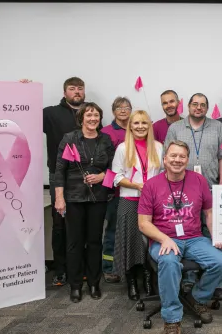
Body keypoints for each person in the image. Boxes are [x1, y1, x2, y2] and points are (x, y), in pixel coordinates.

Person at [138, 141, 222, 334]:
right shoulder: (152, 185)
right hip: (164, 239)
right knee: (169, 263)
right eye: (173, 156)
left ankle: (197, 298)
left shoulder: (198, 180)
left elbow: (209, 212)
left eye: (182, 156)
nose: (177, 160)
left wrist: (216, 235)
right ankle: (172, 320)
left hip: (194, 238)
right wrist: (164, 238)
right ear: (165, 159)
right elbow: (143, 224)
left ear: (187, 160)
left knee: (221, 262)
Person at [163, 93, 222, 299]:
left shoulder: (217, 127)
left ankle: (219, 282)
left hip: (210, 189)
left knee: (214, 235)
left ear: (207, 108)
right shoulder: (175, 128)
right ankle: (189, 279)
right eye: (195, 104)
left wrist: (221, 187)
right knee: (188, 234)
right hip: (182, 193)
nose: (198, 107)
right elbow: (167, 157)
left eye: (202, 105)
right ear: (189, 106)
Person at [53, 102, 115, 303]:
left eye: (96, 115)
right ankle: (76, 285)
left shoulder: (105, 140)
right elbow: (59, 171)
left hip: (98, 198)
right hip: (73, 199)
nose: (92, 118)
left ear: (100, 118)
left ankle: (94, 283)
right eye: (88, 115)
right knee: (74, 243)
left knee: (95, 242)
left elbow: (114, 170)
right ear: (81, 118)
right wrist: (60, 198)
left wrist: (101, 177)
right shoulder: (69, 139)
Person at [111, 110, 163, 301]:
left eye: (144, 123)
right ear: (130, 126)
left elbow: (164, 173)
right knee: (131, 242)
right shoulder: (123, 148)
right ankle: (132, 282)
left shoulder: (158, 147)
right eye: (136, 123)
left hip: (153, 203)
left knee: (150, 242)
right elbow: (115, 177)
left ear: (150, 126)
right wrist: (136, 185)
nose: (140, 127)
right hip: (129, 202)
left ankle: (149, 280)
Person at [43, 76, 85, 287]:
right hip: (58, 175)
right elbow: (23, 115)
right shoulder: (50, 113)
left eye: (80, 88)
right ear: (64, 92)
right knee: (59, 224)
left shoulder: (90, 113)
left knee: (80, 225)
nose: (77, 92)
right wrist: (21, 90)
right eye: (72, 88)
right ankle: (60, 269)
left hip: (82, 177)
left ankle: (79, 268)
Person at [99, 96, 132, 284]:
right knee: (112, 230)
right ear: (113, 111)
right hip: (114, 192)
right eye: (119, 107)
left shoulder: (137, 129)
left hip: (135, 192)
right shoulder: (106, 132)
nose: (123, 110)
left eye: (127, 107)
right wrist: (110, 187)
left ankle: (129, 266)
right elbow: (106, 164)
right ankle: (109, 267)